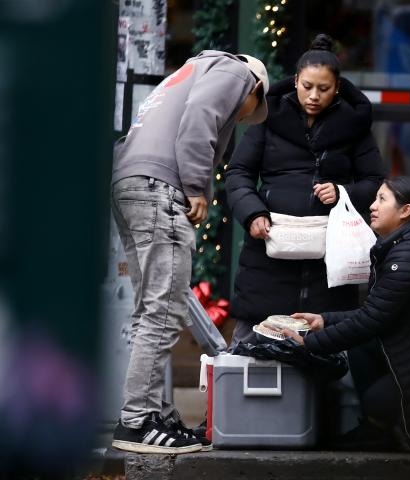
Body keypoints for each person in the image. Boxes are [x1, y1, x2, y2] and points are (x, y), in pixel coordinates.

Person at [110, 50, 269, 454]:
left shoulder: (187, 71)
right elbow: (202, 114)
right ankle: (138, 422)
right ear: (255, 88)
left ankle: (150, 413)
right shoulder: (235, 71)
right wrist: (197, 186)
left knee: (152, 308)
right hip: (160, 187)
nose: (243, 117)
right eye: (250, 110)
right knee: (164, 309)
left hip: (131, 182)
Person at [281, 176, 410, 453]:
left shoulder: (409, 255)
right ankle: (384, 431)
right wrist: (325, 320)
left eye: (382, 199)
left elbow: (373, 319)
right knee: (362, 348)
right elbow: (377, 311)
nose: (372, 206)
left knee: (377, 400)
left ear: (406, 211)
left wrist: (310, 344)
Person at [225, 34, 385, 345]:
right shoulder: (267, 116)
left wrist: (342, 193)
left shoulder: (354, 126)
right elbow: (238, 172)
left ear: (337, 88)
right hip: (268, 248)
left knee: (324, 352)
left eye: (323, 89)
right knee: (251, 345)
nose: (313, 96)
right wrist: (252, 213)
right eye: (307, 86)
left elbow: (375, 183)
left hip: (330, 258)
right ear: (295, 80)